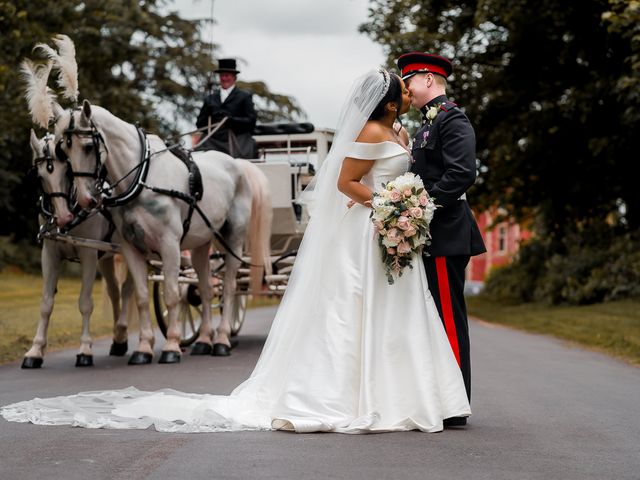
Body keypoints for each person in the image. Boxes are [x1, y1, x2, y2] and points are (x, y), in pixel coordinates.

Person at [1, 69, 470, 433]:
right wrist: (389, 203)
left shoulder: (401, 133)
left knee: (401, 312)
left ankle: (405, 393)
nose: (410, 94)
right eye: (403, 90)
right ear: (389, 100)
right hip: (373, 225)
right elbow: (347, 183)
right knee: (355, 307)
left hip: (388, 229)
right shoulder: (368, 133)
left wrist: (401, 204)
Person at [397, 52, 487, 426]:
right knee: (435, 317)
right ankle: (442, 396)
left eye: (409, 83)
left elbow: (463, 173)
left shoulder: (453, 119)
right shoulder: (426, 124)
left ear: (428, 79)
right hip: (434, 233)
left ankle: (455, 405)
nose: (406, 91)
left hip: (447, 233)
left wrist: (422, 208)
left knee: (449, 319)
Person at [195, 58, 258, 158]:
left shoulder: (244, 97)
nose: (224, 78)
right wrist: (209, 115)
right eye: (222, 76)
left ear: (234, 77)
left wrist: (232, 121)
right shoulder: (210, 99)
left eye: (227, 75)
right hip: (213, 142)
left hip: (237, 140)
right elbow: (200, 124)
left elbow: (251, 122)